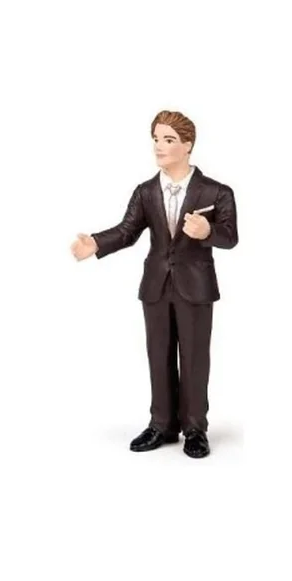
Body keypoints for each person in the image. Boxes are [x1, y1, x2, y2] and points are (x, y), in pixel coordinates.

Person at [70, 110, 238, 458]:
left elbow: (230, 236)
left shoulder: (216, 191)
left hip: (196, 287)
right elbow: (127, 231)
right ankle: (161, 424)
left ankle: (195, 427)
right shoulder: (146, 191)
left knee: (194, 358)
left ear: (188, 145)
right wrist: (96, 244)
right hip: (156, 286)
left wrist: (207, 231)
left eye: (169, 140)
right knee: (158, 356)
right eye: (156, 139)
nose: (159, 146)